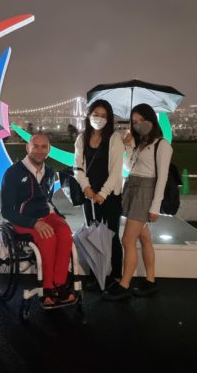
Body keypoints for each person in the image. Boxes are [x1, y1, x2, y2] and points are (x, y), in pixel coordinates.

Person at [102, 103, 173, 301]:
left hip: (145, 192)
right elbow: (129, 166)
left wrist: (155, 207)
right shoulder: (141, 142)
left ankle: (124, 284)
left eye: (142, 120)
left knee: (127, 240)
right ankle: (150, 280)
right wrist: (128, 146)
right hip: (133, 187)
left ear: (151, 119)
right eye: (134, 121)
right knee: (144, 238)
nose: (138, 124)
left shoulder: (162, 145)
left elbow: (162, 178)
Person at [1, 133, 75, 307]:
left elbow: (46, 199)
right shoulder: (13, 173)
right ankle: (48, 288)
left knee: (65, 233)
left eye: (44, 147)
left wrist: (55, 216)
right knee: (48, 237)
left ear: (49, 150)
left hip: (46, 215)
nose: (39, 151)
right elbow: (7, 211)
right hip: (23, 219)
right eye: (35, 146)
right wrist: (33, 223)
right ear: (28, 147)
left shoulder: (49, 171)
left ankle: (60, 284)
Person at [73, 99, 124, 291]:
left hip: (110, 195)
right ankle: (97, 275)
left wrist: (103, 193)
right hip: (89, 195)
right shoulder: (82, 138)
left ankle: (115, 276)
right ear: (89, 115)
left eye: (104, 116)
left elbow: (117, 171)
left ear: (109, 119)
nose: (99, 118)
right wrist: (87, 188)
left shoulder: (115, 138)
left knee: (112, 235)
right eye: (96, 114)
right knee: (93, 234)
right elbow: (77, 167)